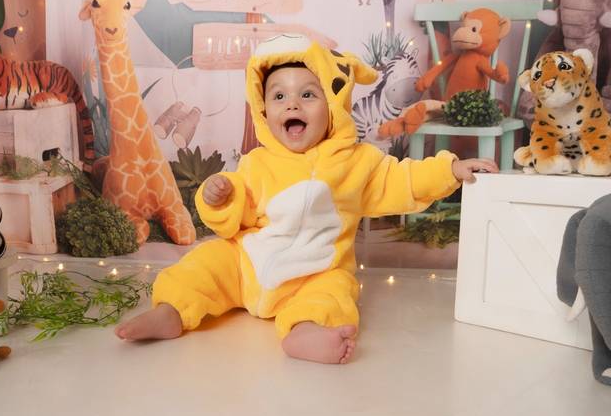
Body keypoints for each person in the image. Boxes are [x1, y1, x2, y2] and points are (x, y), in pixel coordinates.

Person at [115, 34, 498, 364]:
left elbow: (401, 180)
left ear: (333, 105)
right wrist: (220, 197)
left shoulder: (356, 162)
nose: (292, 104)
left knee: (335, 291)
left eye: (308, 94)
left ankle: (306, 330)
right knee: (207, 260)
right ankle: (172, 310)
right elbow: (239, 213)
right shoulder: (258, 162)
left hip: (313, 273)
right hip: (246, 267)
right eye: (279, 95)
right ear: (264, 110)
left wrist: (449, 170)